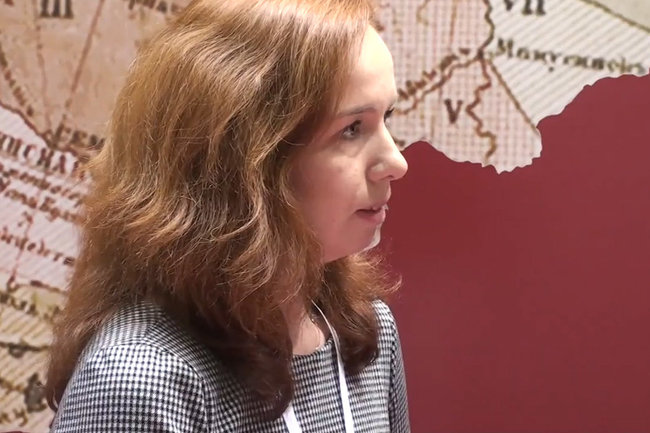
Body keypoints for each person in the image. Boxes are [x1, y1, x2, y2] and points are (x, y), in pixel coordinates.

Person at [45, 0, 410, 431]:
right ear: (246, 164)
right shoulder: (141, 378)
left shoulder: (365, 329)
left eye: (387, 117)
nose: (397, 162)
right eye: (352, 129)